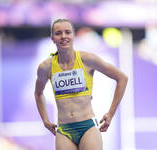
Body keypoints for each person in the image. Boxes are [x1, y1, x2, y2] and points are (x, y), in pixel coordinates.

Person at [34, 18, 128, 150]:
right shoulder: (46, 67)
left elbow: (122, 78)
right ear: (52, 38)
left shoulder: (87, 59)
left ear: (73, 36)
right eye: (58, 33)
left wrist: (111, 113)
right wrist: (45, 120)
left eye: (67, 32)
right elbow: (38, 93)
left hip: (87, 127)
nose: (63, 36)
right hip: (64, 130)